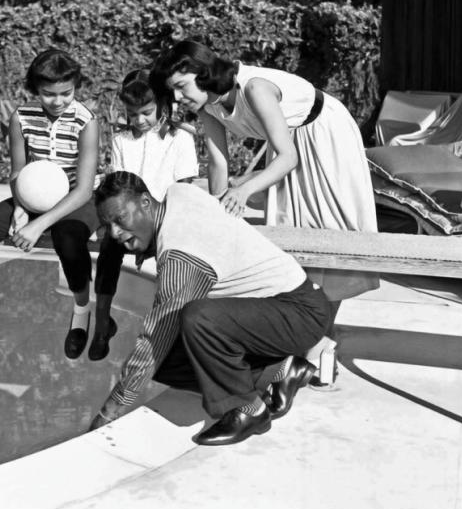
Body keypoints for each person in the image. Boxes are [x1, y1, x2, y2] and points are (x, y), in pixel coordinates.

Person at [150, 40, 379, 385]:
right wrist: (216, 215)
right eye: (174, 91)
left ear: (204, 72)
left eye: (182, 86)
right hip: (288, 145)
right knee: (290, 239)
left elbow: (288, 157)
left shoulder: (255, 88)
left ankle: (320, 345)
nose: (179, 97)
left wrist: (244, 191)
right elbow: (218, 162)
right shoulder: (208, 107)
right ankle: (308, 337)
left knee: (331, 236)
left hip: (324, 136)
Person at [89, 172, 333, 445]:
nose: (114, 232)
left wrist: (109, 412)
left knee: (195, 321)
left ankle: (249, 410)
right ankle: (281, 369)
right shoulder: (178, 195)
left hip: (299, 312)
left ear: (146, 202)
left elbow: (153, 340)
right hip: (277, 308)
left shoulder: (180, 255)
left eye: (120, 219)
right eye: (107, 224)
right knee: (167, 361)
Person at [0, 48, 100, 367]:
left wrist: (37, 225)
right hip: (30, 198)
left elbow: (84, 189)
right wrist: (21, 207)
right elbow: (17, 171)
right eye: (49, 94)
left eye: (67, 93)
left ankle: (80, 315)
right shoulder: (20, 117)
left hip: (75, 201)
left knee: (68, 238)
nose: (59, 101)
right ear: (36, 89)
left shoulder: (86, 122)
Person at [89, 69, 199, 361]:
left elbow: (182, 190)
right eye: (132, 113)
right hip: (129, 217)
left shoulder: (180, 140)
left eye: (146, 113)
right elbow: (118, 187)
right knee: (109, 247)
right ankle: (101, 320)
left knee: (173, 262)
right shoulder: (122, 141)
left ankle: (170, 328)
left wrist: (151, 229)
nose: (139, 120)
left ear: (163, 104)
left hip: (165, 218)